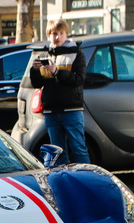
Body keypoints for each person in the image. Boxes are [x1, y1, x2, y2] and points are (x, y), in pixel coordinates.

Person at [30, 19, 89, 165]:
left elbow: (78, 79)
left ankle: (88, 180)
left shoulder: (76, 53)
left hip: (71, 110)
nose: (57, 37)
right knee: (57, 153)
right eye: (54, 33)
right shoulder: (45, 55)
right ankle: (63, 182)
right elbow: (37, 84)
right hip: (51, 112)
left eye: (61, 33)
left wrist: (57, 71)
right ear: (49, 35)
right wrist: (35, 70)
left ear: (66, 35)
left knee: (79, 149)